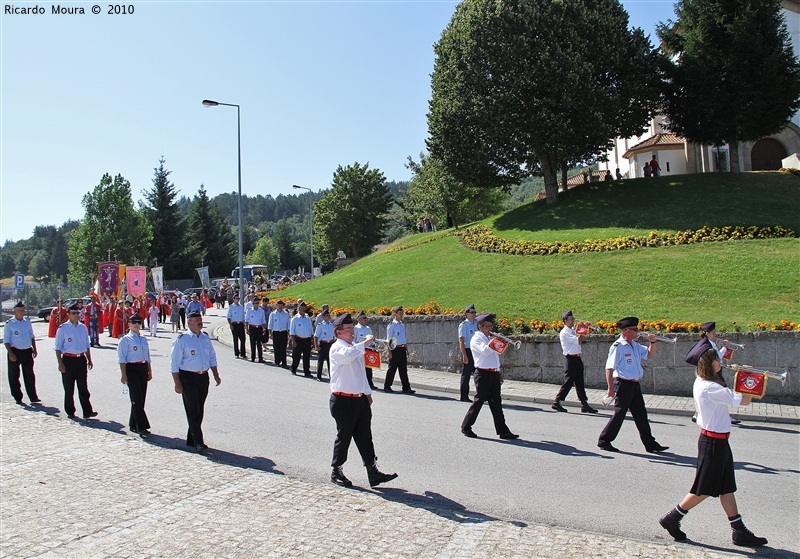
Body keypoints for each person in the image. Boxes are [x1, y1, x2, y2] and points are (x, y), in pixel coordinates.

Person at [659, 344, 766, 547]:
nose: (721, 362)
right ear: (709, 364)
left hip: (717, 441)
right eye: (717, 360)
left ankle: (738, 530)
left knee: (726, 487)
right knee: (703, 489)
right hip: (713, 442)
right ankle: (672, 518)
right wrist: (750, 378)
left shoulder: (702, 382)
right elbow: (744, 401)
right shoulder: (711, 387)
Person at [328, 313, 398, 488]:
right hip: (343, 401)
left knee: (365, 436)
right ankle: (337, 470)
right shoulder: (338, 348)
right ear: (338, 333)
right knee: (344, 436)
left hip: (359, 400)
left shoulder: (354, 347)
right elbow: (348, 355)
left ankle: (372, 471)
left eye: (352, 328)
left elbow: (361, 374)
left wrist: (367, 393)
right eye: (348, 329)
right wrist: (365, 342)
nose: (352, 331)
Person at [597, 317, 668, 453]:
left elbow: (649, 355)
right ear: (627, 331)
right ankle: (604, 440)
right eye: (635, 329)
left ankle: (650, 444)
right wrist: (610, 389)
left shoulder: (635, 345)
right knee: (619, 414)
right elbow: (609, 368)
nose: (638, 331)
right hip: (623, 384)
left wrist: (653, 342)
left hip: (634, 385)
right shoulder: (618, 347)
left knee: (641, 414)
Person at [170, 310, 221, 453]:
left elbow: (212, 357)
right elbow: (174, 364)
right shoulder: (183, 339)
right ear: (189, 322)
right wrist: (177, 383)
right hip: (188, 378)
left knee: (199, 409)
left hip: (203, 377)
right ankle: (199, 442)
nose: (200, 321)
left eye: (200, 318)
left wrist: (216, 374)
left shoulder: (205, 338)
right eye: (197, 319)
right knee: (193, 410)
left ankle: (191, 438)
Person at [460, 313, 518, 439]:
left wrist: (498, 371)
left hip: (493, 373)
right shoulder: (476, 339)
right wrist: (497, 341)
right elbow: (486, 351)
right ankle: (466, 426)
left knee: (496, 403)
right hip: (482, 374)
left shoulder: (487, 338)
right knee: (479, 401)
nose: (490, 329)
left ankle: (503, 431)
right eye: (487, 326)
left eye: (491, 326)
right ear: (480, 327)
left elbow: (497, 354)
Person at [693, 322, 740, 425]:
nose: (715, 334)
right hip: (712, 371)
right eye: (713, 332)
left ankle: (697, 414)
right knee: (723, 392)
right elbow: (717, 356)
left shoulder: (710, 343)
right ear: (707, 333)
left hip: (714, 370)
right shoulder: (708, 345)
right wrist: (725, 347)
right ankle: (725, 416)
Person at [55, 303, 96, 419]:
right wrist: (60, 363)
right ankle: (70, 411)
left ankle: (87, 411)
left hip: (81, 359)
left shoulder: (83, 327)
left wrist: (89, 359)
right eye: (73, 313)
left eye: (78, 313)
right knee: (69, 388)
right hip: (68, 359)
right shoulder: (63, 329)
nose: (76, 315)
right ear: (68, 314)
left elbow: (86, 345)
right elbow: (58, 347)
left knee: (83, 387)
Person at [552, 311, 597, 413]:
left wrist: (583, 331)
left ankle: (584, 404)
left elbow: (578, 339)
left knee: (580, 382)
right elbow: (578, 341)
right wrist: (583, 331)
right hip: (570, 359)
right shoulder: (565, 332)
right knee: (568, 382)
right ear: (565, 321)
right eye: (571, 319)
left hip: (577, 358)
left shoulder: (572, 331)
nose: (573, 321)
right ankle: (557, 402)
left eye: (573, 319)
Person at [118, 315, 152, 437]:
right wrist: (123, 374)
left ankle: (133, 423)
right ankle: (141, 427)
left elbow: (147, 357)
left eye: (139, 322)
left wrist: (149, 371)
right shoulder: (125, 340)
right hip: (131, 369)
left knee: (141, 398)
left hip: (142, 368)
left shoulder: (143, 339)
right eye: (134, 322)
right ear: (129, 324)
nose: (137, 324)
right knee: (136, 398)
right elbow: (122, 359)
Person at [4, 301, 41, 405]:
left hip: (27, 351)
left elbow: (31, 335)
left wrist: (34, 348)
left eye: (23, 310)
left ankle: (33, 397)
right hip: (15, 351)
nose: (22, 312)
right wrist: (10, 353)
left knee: (29, 375)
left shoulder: (27, 322)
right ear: (14, 312)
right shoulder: (10, 324)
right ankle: (17, 396)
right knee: (14, 376)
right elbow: (6, 340)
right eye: (19, 310)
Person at [383, 306, 414, 394]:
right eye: (400, 313)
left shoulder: (402, 325)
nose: (401, 315)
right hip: (394, 349)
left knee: (403, 369)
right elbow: (389, 340)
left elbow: (403, 339)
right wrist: (389, 352)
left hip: (402, 349)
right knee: (392, 369)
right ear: (395, 314)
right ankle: (387, 386)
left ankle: (406, 387)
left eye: (402, 313)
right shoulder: (392, 325)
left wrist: (406, 349)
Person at [458, 304, 478, 402]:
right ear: (466, 314)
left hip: (476, 352)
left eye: (475, 312)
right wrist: (464, 355)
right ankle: (464, 396)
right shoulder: (463, 325)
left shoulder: (476, 324)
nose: (474, 314)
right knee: (466, 374)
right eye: (472, 312)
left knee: (479, 374)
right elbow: (461, 341)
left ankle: (482, 396)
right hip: (468, 351)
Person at [354, 311, 376, 390]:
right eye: (364, 318)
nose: (366, 319)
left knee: (369, 368)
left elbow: (372, 339)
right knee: (361, 368)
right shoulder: (356, 329)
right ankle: (360, 384)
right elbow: (354, 341)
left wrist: (374, 347)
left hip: (368, 350)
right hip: (360, 350)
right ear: (359, 319)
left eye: (366, 318)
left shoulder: (368, 328)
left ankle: (370, 383)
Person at [290, 302, 314, 376]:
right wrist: (293, 340)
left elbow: (311, 329)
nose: (304, 310)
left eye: (305, 308)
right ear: (299, 309)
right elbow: (292, 331)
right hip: (298, 339)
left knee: (306, 356)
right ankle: (293, 369)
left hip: (307, 340)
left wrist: (312, 339)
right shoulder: (295, 319)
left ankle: (307, 371)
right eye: (303, 308)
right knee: (296, 356)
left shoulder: (307, 318)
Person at [314, 309, 335, 381]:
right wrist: (316, 346)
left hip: (330, 344)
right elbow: (316, 336)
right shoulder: (320, 325)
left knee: (330, 361)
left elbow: (333, 336)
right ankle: (319, 376)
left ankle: (331, 377)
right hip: (323, 344)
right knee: (321, 360)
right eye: (327, 315)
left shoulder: (331, 325)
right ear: (323, 317)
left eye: (329, 315)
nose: (328, 317)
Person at [268, 299, 290, 368]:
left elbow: (288, 324)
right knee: (276, 347)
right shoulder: (273, 314)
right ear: (276, 306)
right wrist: (270, 333)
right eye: (278, 305)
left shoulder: (286, 314)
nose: (280, 306)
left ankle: (284, 363)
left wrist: (289, 333)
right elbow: (270, 324)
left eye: (281, 305)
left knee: (283, 348)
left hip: (283, 332)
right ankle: (277, 362)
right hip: (276, 332)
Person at [246, 297, 267, 363]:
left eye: (257, 303)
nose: (256, 304)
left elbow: (263, 320)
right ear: (253, 304)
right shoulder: (249, 311)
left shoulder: (261, 311)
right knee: (252, 343)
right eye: (255, 303)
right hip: (252, 328)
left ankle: (260, 358)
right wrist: (247, 329)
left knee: (259, 343)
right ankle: (253, 357)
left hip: (259, 328)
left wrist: (264, 328)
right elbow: (246, 321)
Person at [226, 293, 247, 359]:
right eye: (236, 299)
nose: (237, 300)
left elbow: (243, 316)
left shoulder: (241, 307)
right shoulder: (231, 307)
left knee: (243, 339)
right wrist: (230, 325)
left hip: (240, 324)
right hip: (234, 324)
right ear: (233, 299)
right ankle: (236, 353)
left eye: (238, 298)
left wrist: (245, 324)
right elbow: (228, 317)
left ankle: (243, 353)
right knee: (235, 339)